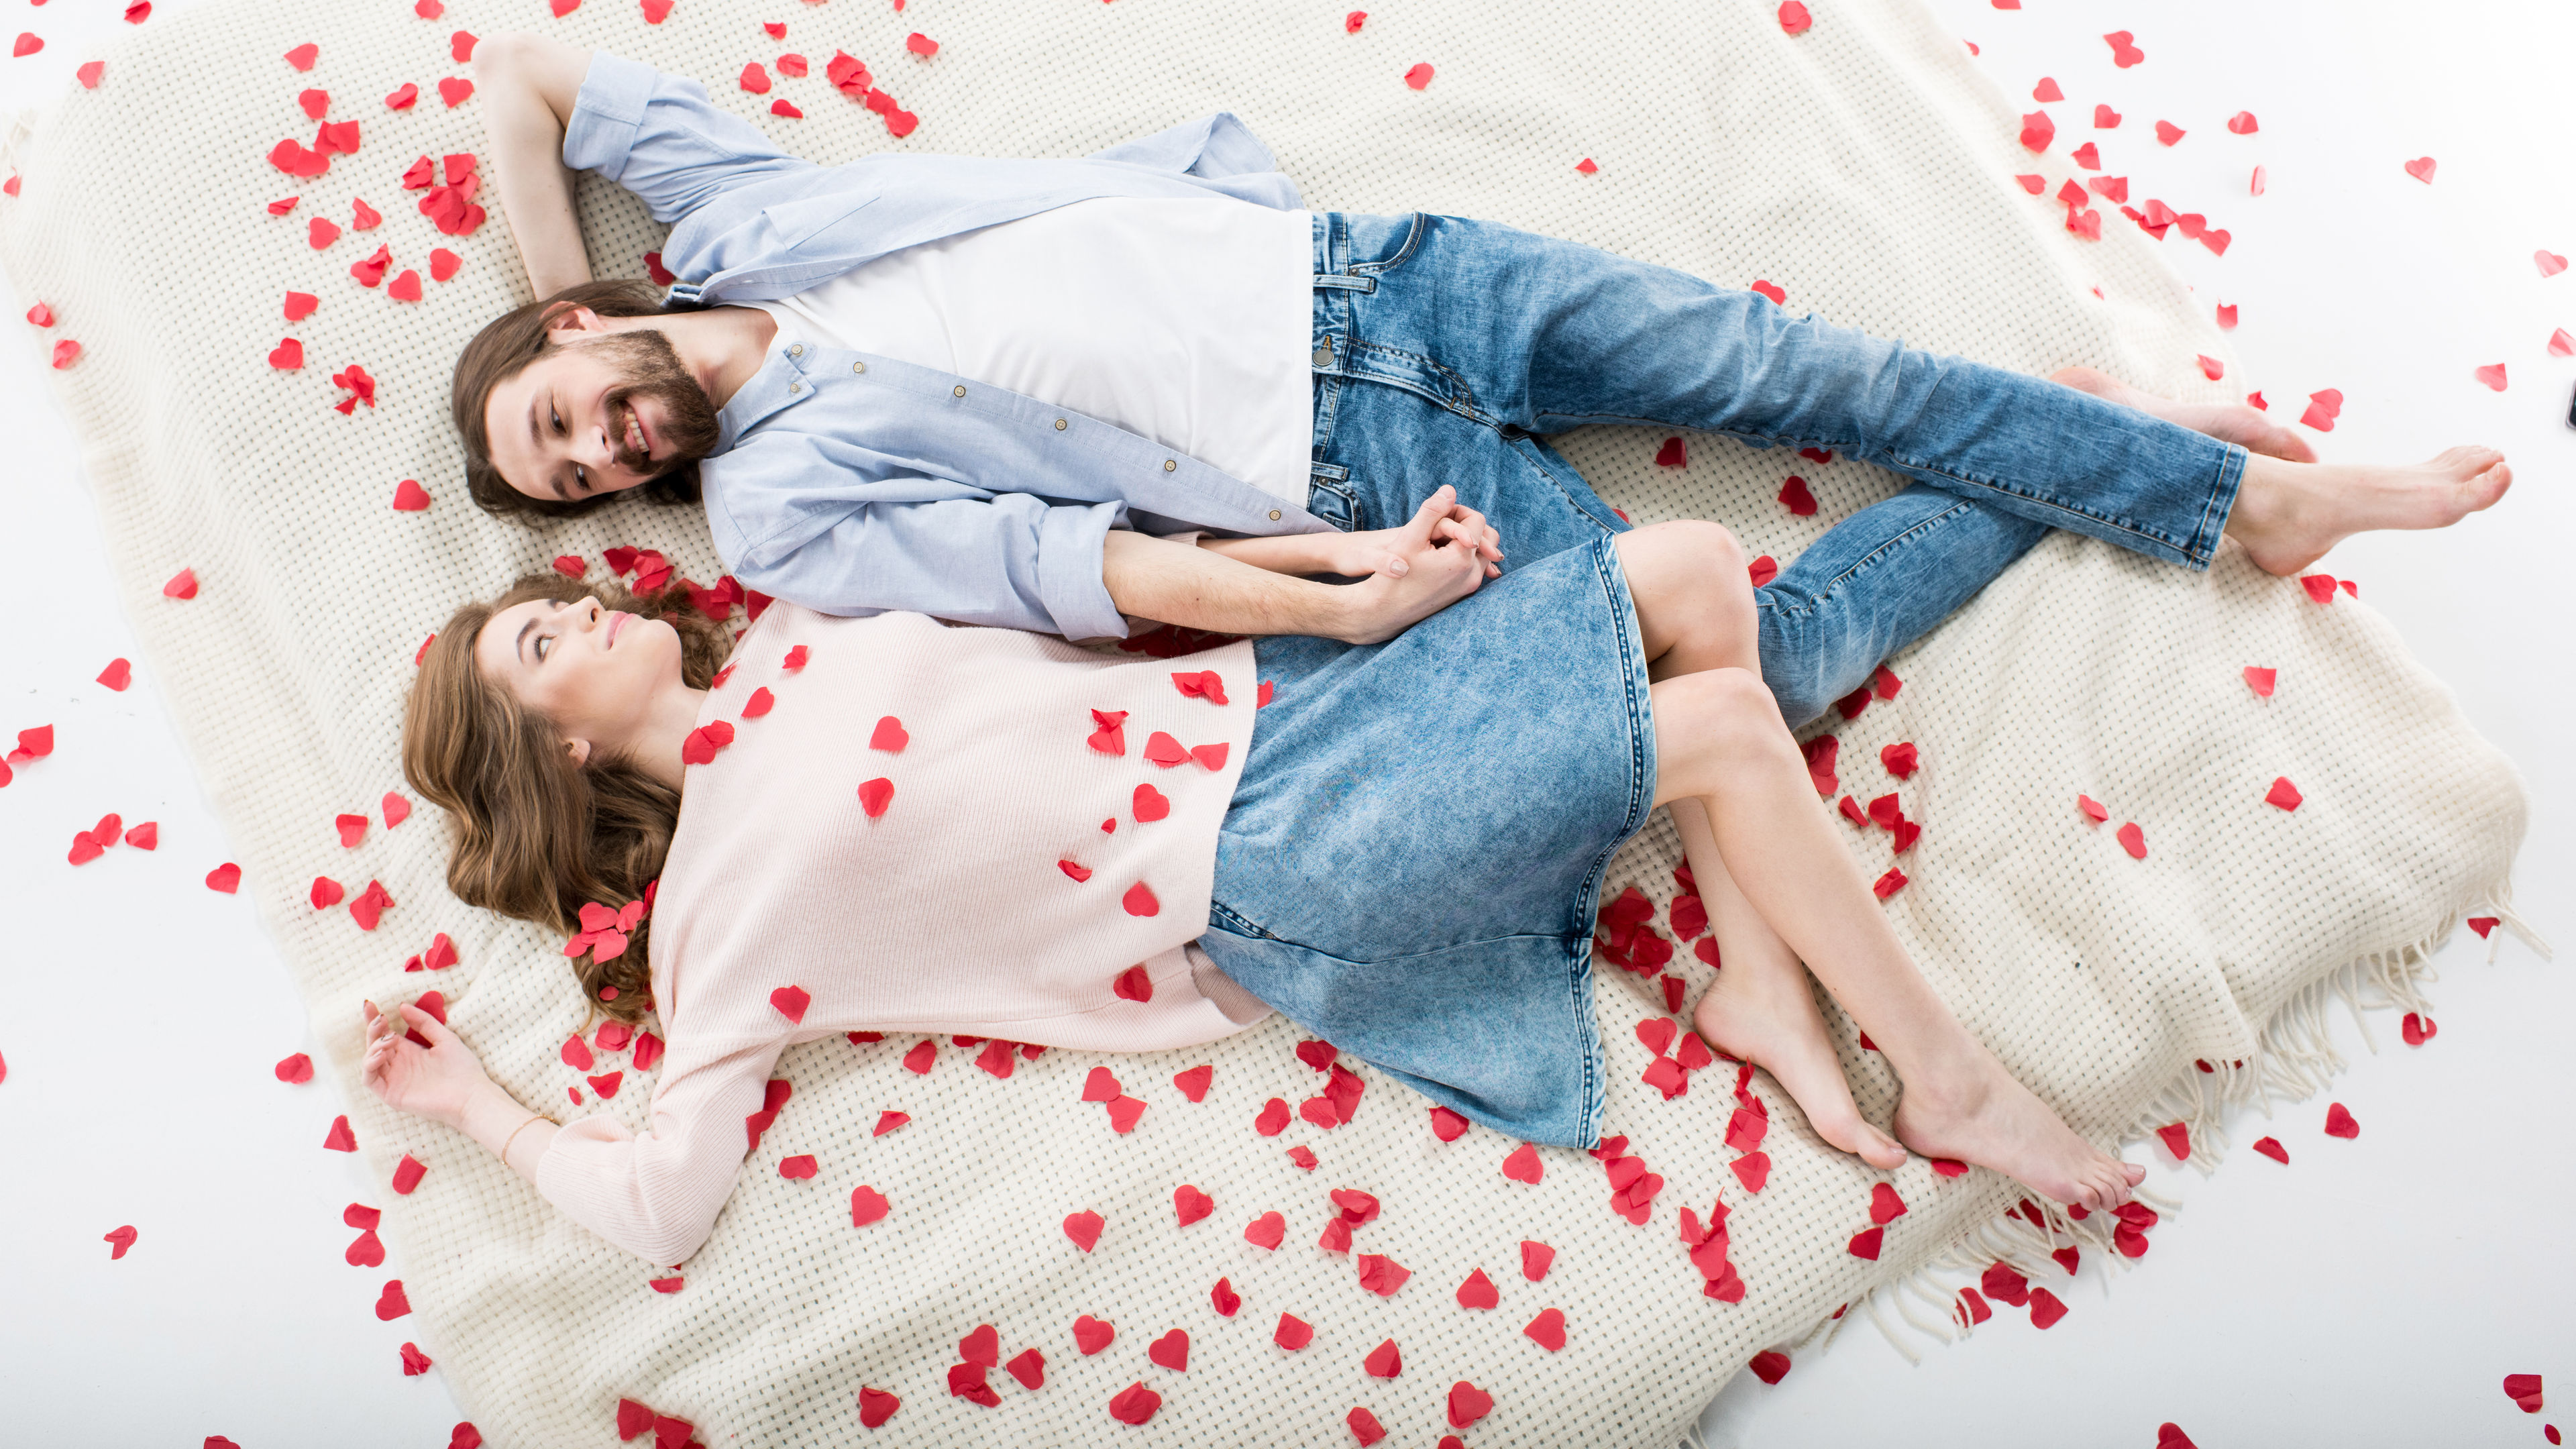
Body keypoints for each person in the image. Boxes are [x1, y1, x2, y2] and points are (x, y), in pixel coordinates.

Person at [450, 33, 2514, 730]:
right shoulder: (768, 509)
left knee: (1813, 372)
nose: (610, 443)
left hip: (1372, 270)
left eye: (569, 411)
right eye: (583, 481)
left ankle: (2238, 496)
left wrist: (568, 298)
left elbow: (527, 76)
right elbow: (1067, 568)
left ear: (574, 343)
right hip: (1342, 454)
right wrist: (1335, 587)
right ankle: (2139, 469)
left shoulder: (725, 225)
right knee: (1737, 679)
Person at [372, 508, 2153, 1271]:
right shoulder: (719, 919)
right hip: (1259, 866)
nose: (586, 612)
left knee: (1692, 569)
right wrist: (478, 1107)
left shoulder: (805, 626)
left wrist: (1353, 570)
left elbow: (1107, 585)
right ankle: (1951, 1079)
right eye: (542, 644)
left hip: (1279, 712)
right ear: (563, 755)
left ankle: (1759, 990)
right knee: (1725, 736)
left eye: (554, 602)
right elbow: (662, 1204)